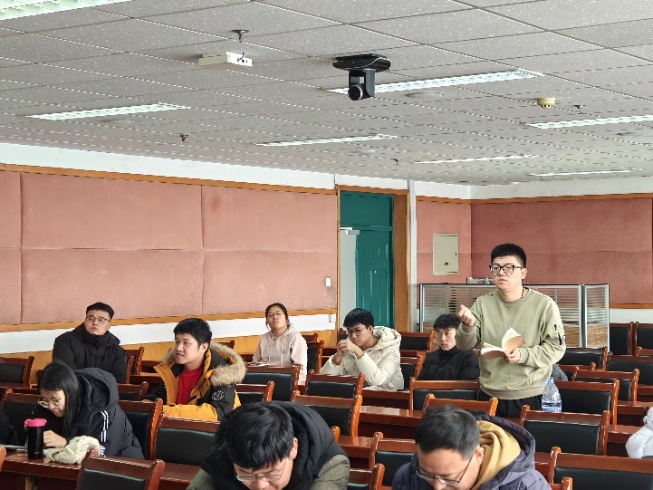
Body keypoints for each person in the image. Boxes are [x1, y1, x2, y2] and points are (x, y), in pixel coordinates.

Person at [457, 243, 566, 418]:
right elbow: (464, 345)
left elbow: (556, 348)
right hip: (489, 394)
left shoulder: (544, 305)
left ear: (523, 273)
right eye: (496, 267)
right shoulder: (482, 303)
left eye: (509, 268)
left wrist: (523, 355)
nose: (501, 272)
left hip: (530, 394)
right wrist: (467, 326)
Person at [188, 402, 350, 490]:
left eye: (272, 473)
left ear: (293, 448)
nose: (260, 486)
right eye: (245, 474)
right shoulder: (226, 450)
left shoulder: (331, 466)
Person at [392, 405, 549, 490]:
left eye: (449, 478)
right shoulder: (408, 477)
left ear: (478, 456)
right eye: (427, 474)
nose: (437, 487)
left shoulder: (528, 486)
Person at [32, 361, 143, 458]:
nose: (51, 406)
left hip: (123, 464)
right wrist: (34, 433)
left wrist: (65, 443)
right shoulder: (46, 406)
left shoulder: (102, 411)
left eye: (56, 401)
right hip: (75, 468)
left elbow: (101, 453)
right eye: (45, 400)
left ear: (70, 393)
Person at [145, 317, 246, 420]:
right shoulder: (172, 370)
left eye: (186, 343)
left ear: (203, 347)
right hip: (171, 428)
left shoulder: (222, 375)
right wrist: (144, 407)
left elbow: (217, 413)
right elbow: (153, 398)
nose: (178, 348)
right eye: (177, 342)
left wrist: (164, 411)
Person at [321, 308, 403, 390]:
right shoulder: (348, 347)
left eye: (357, 330)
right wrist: (337, 358)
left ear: (370, 329)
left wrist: (358, 352)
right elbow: (324, 380)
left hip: (386, 395)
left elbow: (378, 381)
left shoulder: (391, 350)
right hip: (354, 394)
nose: (353, 336)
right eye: (349, 331)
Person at [52, 301, 127, 383]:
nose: (95, 323)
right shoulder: (65, 341)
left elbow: (118, 380)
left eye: (101, 320)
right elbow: (66, 377)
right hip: (74, 390)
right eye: (91, 318)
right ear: (85, 321)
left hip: (106, 390)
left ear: (108, 326)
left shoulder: (116, 349)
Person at [253, 303, 308, 382]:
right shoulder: (264, 338)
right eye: (270, 315)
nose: (275, 317)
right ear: (267, 321)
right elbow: (255, 363)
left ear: (286, 318)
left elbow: (300, 370)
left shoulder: (295, 337)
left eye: (278, 314)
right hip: (265, 380)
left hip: (287, 381)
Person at [419, 313, 480, 381]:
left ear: (459, 333)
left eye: (447, 333)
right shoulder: (430, 357)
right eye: (438, 333)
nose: (442, 338)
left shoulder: (469, 358)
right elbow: (420, 384)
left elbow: (467, 386)